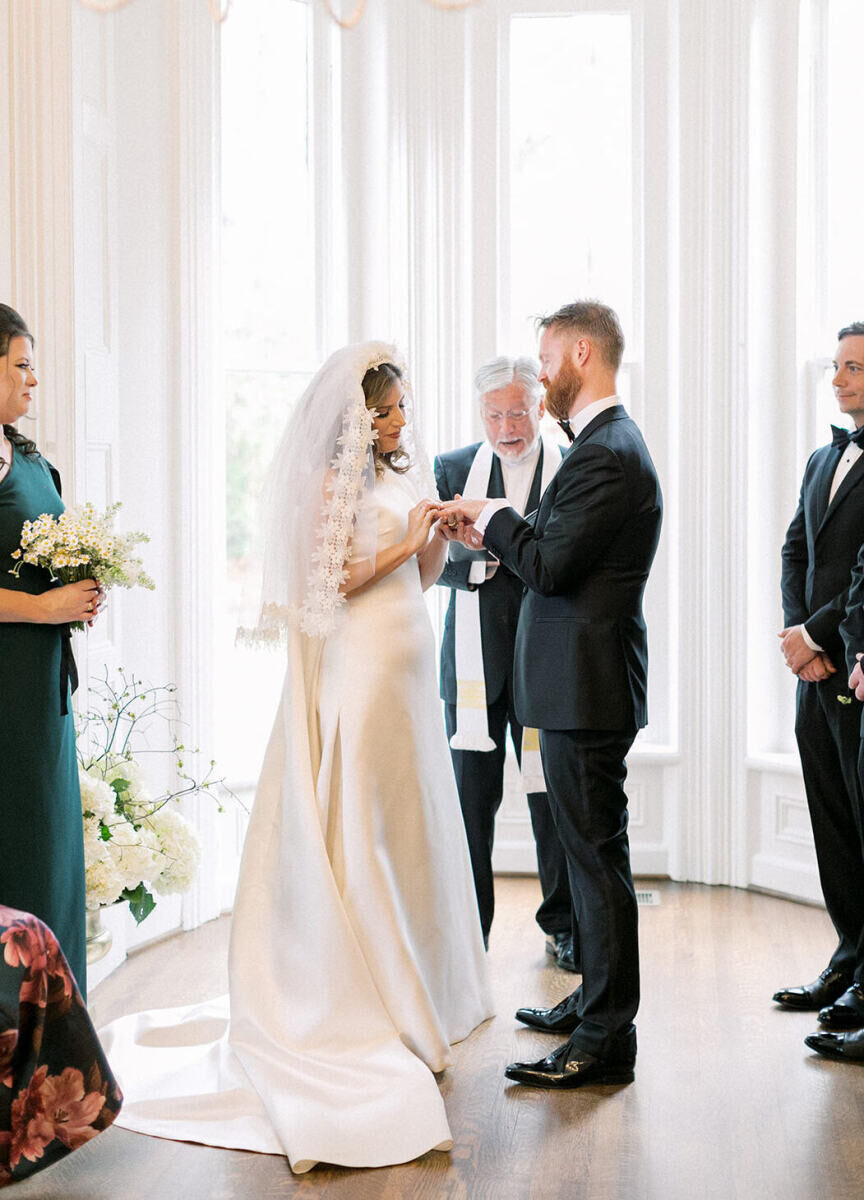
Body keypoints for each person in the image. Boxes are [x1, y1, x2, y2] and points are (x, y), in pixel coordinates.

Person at [100, 342, 493, 1174]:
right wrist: (405, 540)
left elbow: (421, 581)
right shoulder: (329, 484)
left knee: (409, 824)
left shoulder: (400, 476)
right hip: (360, 668)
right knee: (365, 826)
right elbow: (327, 587)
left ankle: (415, 990)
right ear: (354, 417)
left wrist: (440, 536)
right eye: (384, 410)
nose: (398, 421)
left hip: (408, 667)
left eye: (401, 407)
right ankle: (361, 994)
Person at [439, 300, 662, 1089]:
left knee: (596, 864)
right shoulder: (603, 444)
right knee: (586, 853)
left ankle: (605, 1038)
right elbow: (553, 552)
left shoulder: (604, 452)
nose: (539, 374)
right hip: (576, 686)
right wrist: (499, 526)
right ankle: (592, 1004)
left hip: (583, 690)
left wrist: (495, 516)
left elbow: (549, 568)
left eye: (545, 359)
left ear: (579, 354)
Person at [434, 355, 575, 968]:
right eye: (495, 414)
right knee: (469, 807)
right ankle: (472, 933)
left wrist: (503, 548)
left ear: (540, 407)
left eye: (518, 411)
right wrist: (486, 559)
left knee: (553, 803)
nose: (507, 426)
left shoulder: (570, 468)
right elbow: (429, 563)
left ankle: (564, 924)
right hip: (472, 668)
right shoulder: (451, 468)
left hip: (548, 663)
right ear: (481, 415)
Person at [0, 303, 103, 999]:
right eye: (22, 365)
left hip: (42, 693)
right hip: (4, 690)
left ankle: (59, 1048)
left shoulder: (30, 456)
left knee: (51, 855)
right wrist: (42, 607)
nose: (34, 381)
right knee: (16, 854)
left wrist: (84, 588)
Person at [774, 321, 864, 1024]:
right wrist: (799, 637)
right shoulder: (816, 459)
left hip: (858, 662)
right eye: (837, 366)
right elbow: (794, 548)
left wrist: (820, 633)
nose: (840, 379)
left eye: (854, 367)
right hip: (816, 672)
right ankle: (848, 955)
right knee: (832, 821)